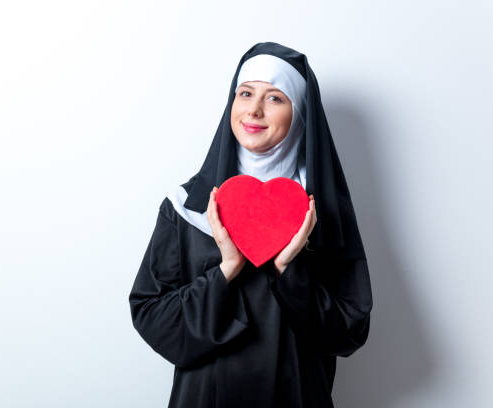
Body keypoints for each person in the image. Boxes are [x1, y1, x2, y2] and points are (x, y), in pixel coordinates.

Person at [128, 41, 373, 408]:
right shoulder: (185, 209)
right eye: (245, 93)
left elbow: (350, 331)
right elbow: (152, 318)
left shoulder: (320, 212)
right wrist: (226, 270)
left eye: (275, 98)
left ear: (301, 113)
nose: (254, 111)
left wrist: (289, 271)